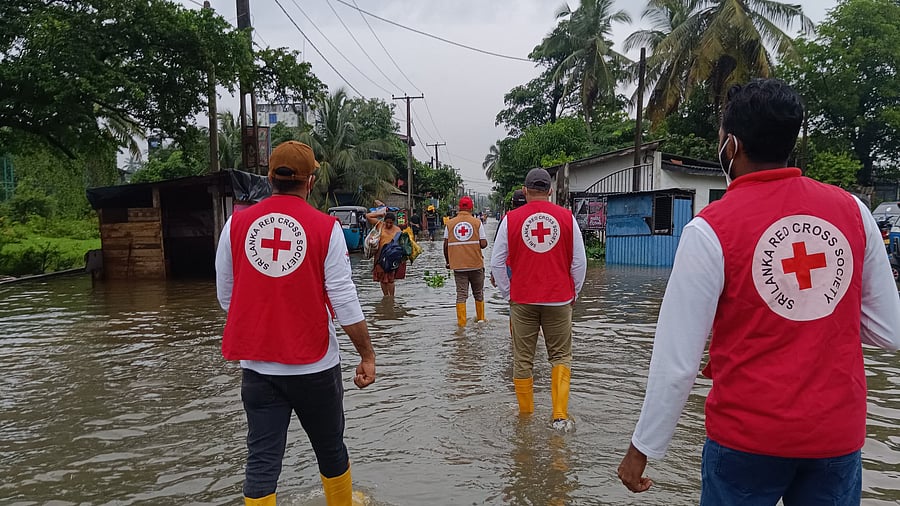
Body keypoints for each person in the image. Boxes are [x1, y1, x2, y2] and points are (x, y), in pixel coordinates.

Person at [617, 79, 900, 504]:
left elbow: (678, 363)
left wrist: (642, 449)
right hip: (836, 437)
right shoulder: (854, 212)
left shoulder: (711, 229)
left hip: (747, 440)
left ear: (731, 145)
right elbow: (889, 330)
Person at [214, 141, 376, 506]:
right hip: (314, 365)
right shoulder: (325, 227)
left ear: (269, 177)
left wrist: (263, 325)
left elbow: (227, 295)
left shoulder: (235, 224)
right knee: (330, 449)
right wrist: (366, 354)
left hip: (257, 366)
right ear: (311, 180)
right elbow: (343, 298)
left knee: (261, 460)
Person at [490, 168, 587, 431]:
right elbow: (579, 263)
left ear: (525, 190)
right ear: (551, 191)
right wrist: (573, 294)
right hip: (559, 300)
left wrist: (510, 295)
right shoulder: (567, 217)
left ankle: (525, 417)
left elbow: (497, 264)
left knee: (523, 359)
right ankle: (559, 417)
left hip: (523, 301)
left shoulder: (511, 219)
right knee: (561, 357)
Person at [443, 195, 488, 326]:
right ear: (471, 208)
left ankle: (461, 326)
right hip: (476, 264)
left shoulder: (450, 223)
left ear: (458, 208)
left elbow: (445, 245)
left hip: (458, 266)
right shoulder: (477, 222)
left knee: (461, 295)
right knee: (478, 294)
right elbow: (484, 243)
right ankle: (481, 321)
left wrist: (448, 261)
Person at [366, 208, 404, 297]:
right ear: (384, 221)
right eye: (387, 222)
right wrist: (380, 214)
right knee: (382, 278)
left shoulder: (397, 230)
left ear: (394, 222)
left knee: (390, 279)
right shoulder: (380, 225)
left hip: (391, 258)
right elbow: (368, 216)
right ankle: (386, 296)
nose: (388, 224)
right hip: (379, 257)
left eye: (391, 223)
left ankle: (391, 298)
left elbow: (401, 245)